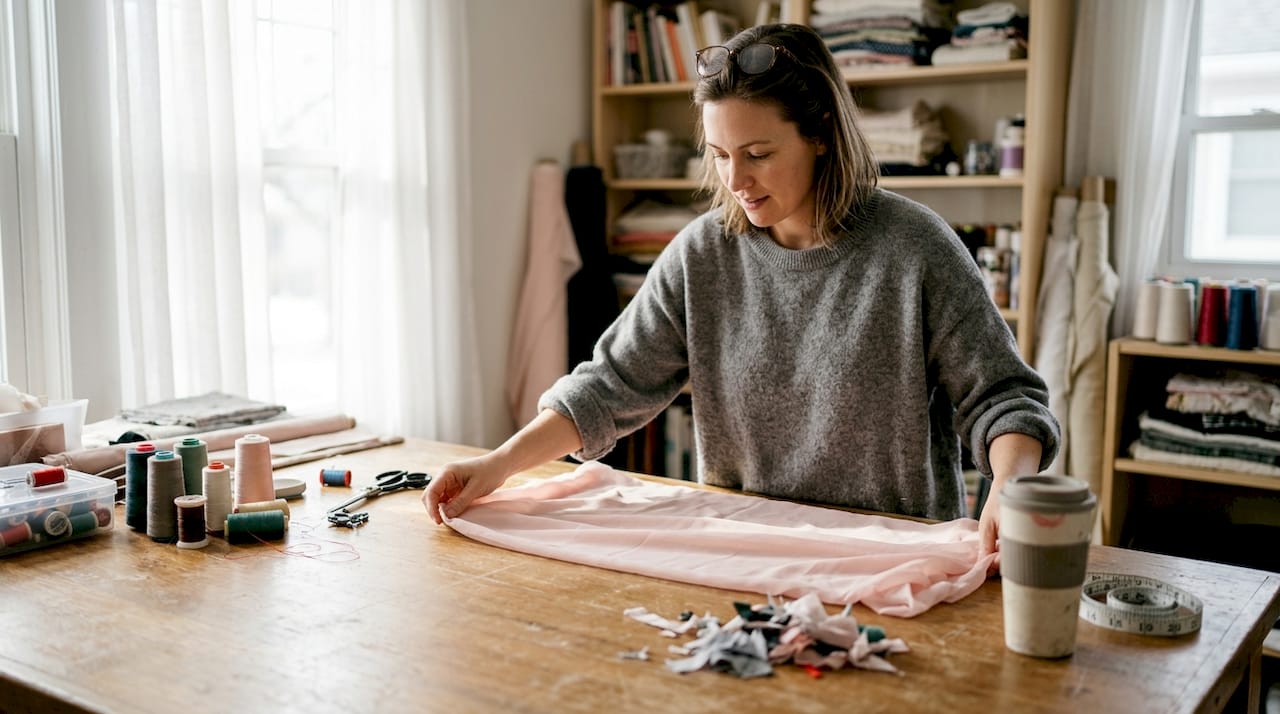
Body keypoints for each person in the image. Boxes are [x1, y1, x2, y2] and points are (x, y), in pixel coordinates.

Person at [425, 23, 1059, 560]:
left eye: (757, 153)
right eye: (720, 154)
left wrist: (1009, 484)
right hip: (746, 553)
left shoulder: (915, 247)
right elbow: (607, 387)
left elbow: (1003, 398)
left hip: (888, 553)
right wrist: (497, 466)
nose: (737, 180)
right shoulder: (703, 254)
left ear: (821, 137)